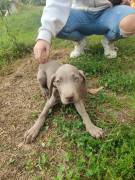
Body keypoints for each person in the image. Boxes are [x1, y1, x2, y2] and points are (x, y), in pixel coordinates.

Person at [34, 0, 135, 63]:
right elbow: (56, 3)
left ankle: (108, 41)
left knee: (132, 20)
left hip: (107, 12)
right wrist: (44, 36)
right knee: (57, 26)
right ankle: (80, 42)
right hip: (79, 13)